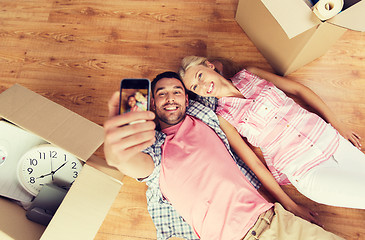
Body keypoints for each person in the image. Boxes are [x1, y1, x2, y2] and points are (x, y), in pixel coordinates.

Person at [103, 71, 343, 240]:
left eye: (176, 91)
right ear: (153, 104)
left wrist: (290, 206)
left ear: (187, 99)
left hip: (278, 223)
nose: (170, 98)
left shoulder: (208, 117)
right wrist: (119, 157)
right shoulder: (155, 149)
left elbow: (213, 71)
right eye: (161, 94)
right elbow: (140, 166)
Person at [179, 56, 365, 210]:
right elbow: (254, 163)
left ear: (210, 66)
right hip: (306, 170)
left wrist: (338, 124)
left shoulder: (250, 73)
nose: (202, 85)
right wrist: (289, 204)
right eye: (195, 87)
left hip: (331, 140)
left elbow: (297, 89)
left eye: (200, 76)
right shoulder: (223, 118)